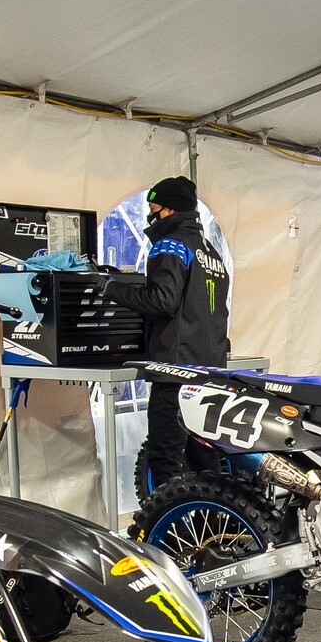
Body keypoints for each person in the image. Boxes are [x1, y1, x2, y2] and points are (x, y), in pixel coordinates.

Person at [106, 175, 231, 495]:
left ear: (169, 211)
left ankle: (164, 535)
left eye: (153, 208)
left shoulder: (170, 245)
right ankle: (217, 528)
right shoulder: (213, 254)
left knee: (164, 457)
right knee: (205, 456)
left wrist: (112, 290)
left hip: (175, 371)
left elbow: (162, 300)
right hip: (210, 370)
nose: (149, 215)